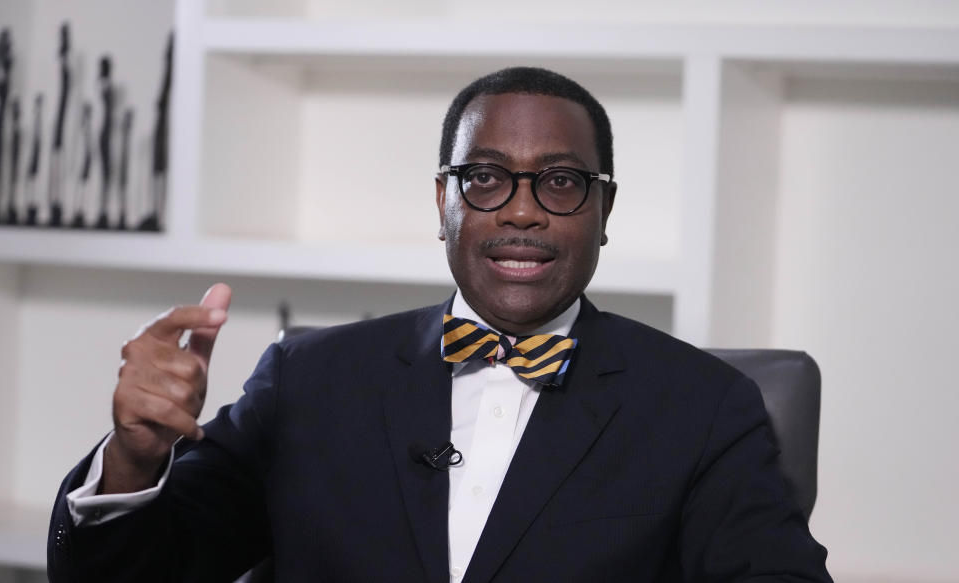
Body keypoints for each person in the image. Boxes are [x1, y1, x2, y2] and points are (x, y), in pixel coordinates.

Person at [48, 67, 832, 582]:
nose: (521, 210)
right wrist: (133, 456)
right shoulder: (308, 381)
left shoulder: (704, 408)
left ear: (603, 211)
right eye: (485, 178)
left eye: (560, 182)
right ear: (443, 202)